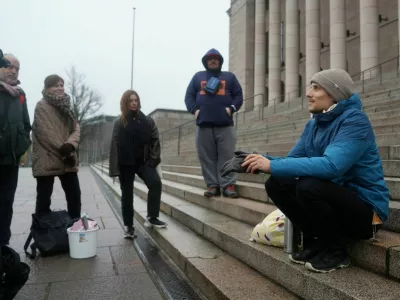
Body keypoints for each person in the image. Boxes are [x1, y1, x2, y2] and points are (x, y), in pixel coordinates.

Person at [242, 69, 389, 273]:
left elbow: (332, 166)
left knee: (308, 185)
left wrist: (271, 165)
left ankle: (337, 252)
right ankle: (317, 242)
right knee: (276, 182)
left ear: (334, 93)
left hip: (369, 215)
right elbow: (292, 161)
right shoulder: (313, 125)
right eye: (311, 86)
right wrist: (258, 161)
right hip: (339, 205)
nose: (308, 93)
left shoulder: (355, 121)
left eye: (316, 87)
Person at [185, 48, 243, 198]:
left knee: (227, 156)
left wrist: (231, 108)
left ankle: (228, 185)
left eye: (215, 58)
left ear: (220, 61)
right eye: (209, 58)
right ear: (205, 61)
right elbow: (189, 96)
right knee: (206, 157)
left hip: (225, 125)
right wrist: (195, 110)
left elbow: (238, 95)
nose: (212, 60)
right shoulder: (198, 77)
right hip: (203, 125)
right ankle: (212, 185)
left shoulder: (229, 77)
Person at [109, 90, 167, 239]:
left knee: (155, 183)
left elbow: (155, 141)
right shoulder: (119, 122)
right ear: (125, 103)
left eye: (136, 100)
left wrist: (152, 161)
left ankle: (152, 217)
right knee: (127, 195)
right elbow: (114, 144)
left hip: (143, 162)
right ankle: (129, 226)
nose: (134, 103)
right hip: (125, 164)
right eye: (130, 100)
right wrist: (115, 169)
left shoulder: (147, 121)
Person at [31, 75, 81, 219]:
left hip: (67, 156)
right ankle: (43, 233)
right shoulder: (41, 106)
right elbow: (45, 133)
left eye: (62, 85)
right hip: (47, 157)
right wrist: (65, 151)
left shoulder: (67, 106)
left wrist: (70, 145)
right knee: (44, 199)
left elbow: (76, 128)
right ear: (47, 88)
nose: (60, 88)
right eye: (55, 85)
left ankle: (74, 226)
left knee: (75, 195)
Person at [0, 53, 31, 245]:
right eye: (9, 66)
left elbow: (26, 126)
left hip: (11, 161)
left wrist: (22, 146)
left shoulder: (20, 95)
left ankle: (4, 247)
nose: (13, 70)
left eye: (17, 68)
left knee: (6, 204)